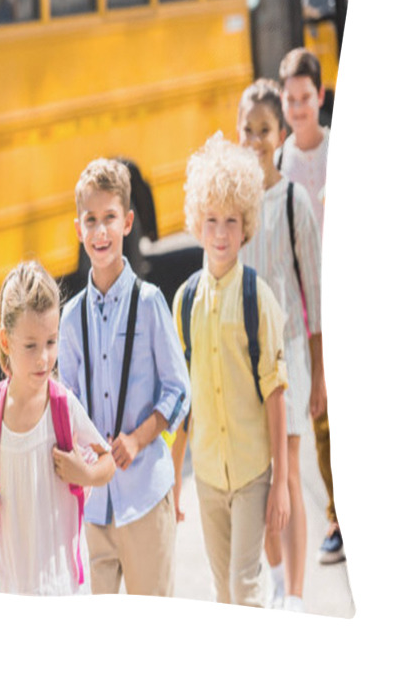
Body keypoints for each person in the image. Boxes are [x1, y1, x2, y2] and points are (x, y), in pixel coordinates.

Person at [58, 158, 191, 596]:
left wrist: (137, 438)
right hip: (94, 508)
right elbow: (69, 402)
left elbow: (178, 391)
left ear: (128, 222)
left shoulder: (150, 303)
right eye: (91, 220)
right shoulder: (71, 317)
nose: (100, 232)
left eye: (109, 219)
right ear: (78, 229)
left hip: (145, 499)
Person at [172, 135, 290, 607]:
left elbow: (276, 394)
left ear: (246, 227)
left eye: (231, 222)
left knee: (245, 584)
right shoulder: (184, 302)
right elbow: (182, 403)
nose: (221, 233)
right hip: (205, 476)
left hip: (250, 473)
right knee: (224, 592)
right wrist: (174, 483)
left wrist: (280, 482)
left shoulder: (256, 298)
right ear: (197, 224)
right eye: (212, 221)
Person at [0, 261, 115, 594]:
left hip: (59, 587)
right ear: (6, 342)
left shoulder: (63, 406)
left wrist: (86, 474)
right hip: (9, 586)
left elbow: (107, 462)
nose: (44, 358)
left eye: (51, 342)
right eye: (30, 346)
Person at [237, 79, 324, 612]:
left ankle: (294, 593)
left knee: (286, 471)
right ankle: (273, 580)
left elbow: (316, 296)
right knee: (258, 477)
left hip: (289, 354)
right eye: (247, 129)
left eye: (264, 130)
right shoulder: (233, 208)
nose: (254, 140)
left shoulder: (294, 202)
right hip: (246, 360)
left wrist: (321, 376)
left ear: (281, 133)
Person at [277, 48, 342, 565]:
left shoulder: (338, 151)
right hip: (310, 309)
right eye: (290, 99)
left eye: (306, 97)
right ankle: (338, 516)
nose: (299, 108)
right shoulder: (281, 164)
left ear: (320, 96)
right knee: (321, 413)